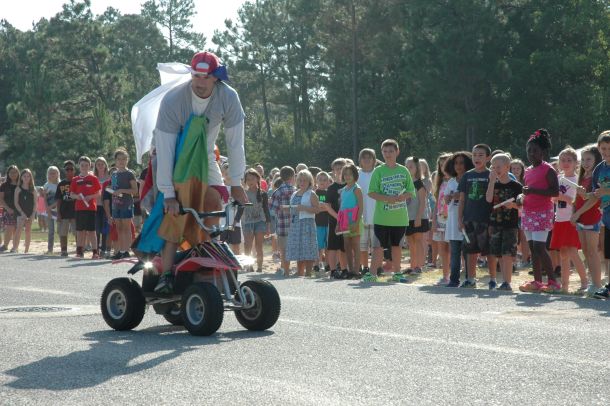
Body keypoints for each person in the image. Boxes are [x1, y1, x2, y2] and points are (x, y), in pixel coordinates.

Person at [135, 51, 247, 293]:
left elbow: (235, 143)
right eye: (196, 76)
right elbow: (165, 150)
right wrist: (168, 193)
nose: (200, 82)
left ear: (216, 78)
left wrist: (237, 182)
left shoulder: (228, 97)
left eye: (206, 77)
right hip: (175, 158)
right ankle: (166, 276)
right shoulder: (174, 99)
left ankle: (204, 266)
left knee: (213, 206)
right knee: (177, 215)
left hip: (205, 157)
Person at [366, 139, 415, 282]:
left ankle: (397, 273)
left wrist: (402, 197)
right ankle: (372, 274)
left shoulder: (403, 170)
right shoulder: (378, 171)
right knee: (377, 247)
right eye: (385, 151)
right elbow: (371, 193)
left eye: (391, 151)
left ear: (397, 152)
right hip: (381, 218)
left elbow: (411, 191)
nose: (388, 154)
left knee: (397, 247)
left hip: (399, 218)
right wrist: (388, 198)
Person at [518, 129, 559, 293]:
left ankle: (553, 282)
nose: (531, 154)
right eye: (529, 151)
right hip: (528, 212)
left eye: (535, 150)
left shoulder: (548, 169)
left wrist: (534, 191)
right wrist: (520, 197)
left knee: (540, 248)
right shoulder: (527, 171)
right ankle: (537, 281)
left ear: (543, 152)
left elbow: (555, 192)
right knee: (533, 249)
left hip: (542, 212)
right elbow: (526, 191)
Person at [544, 147, 588, 293]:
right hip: (559, 220)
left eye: (569, 160)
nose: (566, 163)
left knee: (573, 252)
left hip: (572, 220)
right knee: (563, 253)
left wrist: (563, 197)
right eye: (563, 160)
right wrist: (554, 198)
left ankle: (584, 283)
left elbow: (578, 201)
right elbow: (553, 199)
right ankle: (565, 286)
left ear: (576, 163)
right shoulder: (558, 179)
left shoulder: (578, 180)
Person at [458, 144, 494, 289]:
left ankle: (492, 279)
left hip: (486, 219)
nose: (477, 158)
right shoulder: (467, 176)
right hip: (469, 219)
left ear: (488, 158)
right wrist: (460, 219)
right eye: (474, 155)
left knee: (489, 250)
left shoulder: (491, 175)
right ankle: (471, 279)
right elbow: (462, 199)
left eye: (480, 155)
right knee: (469, 250)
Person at [485, 154, 522, 291]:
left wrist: (512, 205)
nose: (495, 170)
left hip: (510, 224)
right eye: (493, 167)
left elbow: (521, 205)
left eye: (498, 167)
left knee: (508, 253)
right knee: (499, 253)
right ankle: (503, 281)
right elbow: (488, 200)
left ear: (507, 167)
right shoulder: (493, 184)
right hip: (495, 223)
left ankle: (507, 281)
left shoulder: (516, 186)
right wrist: (491, 182)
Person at [571, 144, 603, 296]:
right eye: (583, 159)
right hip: (581, 219)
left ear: (596, 159)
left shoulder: (596, 177)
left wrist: (577, 213)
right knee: (585, 251)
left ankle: (597, 284)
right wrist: (574, 213)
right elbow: (578, 199)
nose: (585, 162)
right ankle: (593, 283)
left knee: (592, 252)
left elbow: (594, 199)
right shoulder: (582, 177)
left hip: (592, 218)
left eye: (589, 159)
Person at [327, 164, 363, 279]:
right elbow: (341, 208)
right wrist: (338, 223)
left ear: (355, 175)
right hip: (344, 222)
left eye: (350, 174)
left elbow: (361, 207)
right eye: (345, 174)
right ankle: (350, 270)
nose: (347, 176)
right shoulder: (342, 190)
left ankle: (356, 271)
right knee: (346, 247)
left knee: (355, 246)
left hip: (354, 221)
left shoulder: (357, 189)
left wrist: (356, 222)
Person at [444, 152, 474, 287]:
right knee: (455, 252)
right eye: (456, 163)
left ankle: (469, 279)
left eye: (461, 163)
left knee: (468, 252)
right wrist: (448, 198)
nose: (458, 166)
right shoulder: (451, 182)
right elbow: (446, 200)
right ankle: (454, 280)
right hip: (452, 221)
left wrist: (461, 196)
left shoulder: (470, 179)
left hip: (466, 220)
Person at [286, 169, 319, 277]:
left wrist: (305, 208)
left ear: (309, 181)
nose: (302, 182)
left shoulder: (311, 194)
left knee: (308, 249)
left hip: (307, 224)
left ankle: (308, 274)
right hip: (295, 225)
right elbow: (293, 209)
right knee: (299, 250)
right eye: (300, 180)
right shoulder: (294, 194)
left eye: (305, 180)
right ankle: (300, 274)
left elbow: (317, 209)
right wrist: (286, 209)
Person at [109, 148, 138, 259]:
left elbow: (135, 191)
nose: (121, 161)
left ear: (127, 160)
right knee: (119, 228)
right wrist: (111, 190)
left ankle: (126, 251)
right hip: (116, 204)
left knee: (126, 228)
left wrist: (122, 190)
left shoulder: (129, 174)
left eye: (124, 159)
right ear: (115, 160)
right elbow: (114, 188)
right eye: (119, 159)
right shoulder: (114, 174)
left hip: (126, 204)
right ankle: (121, 251)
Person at [70, 156, 102, 259]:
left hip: (91, 208)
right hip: (79, 209)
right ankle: (79, 252)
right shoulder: (75, 179)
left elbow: (99, 193)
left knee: (92, 231)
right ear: (79, 166)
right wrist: (77, 197)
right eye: (82, 165)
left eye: (86, 165)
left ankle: (95, 252)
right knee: (80, 231)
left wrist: (90, 197)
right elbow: (71, 194)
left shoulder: (93, 178)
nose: (84, 167)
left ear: (90, 166)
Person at [242, 168, 271, 272]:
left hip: (260, 222)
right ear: (245, 181)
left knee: (259, 246)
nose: (250, 181)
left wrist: (268, 226)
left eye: (252, 179)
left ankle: (259, 267)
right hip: (247, 222)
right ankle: (248, 266)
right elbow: (240, 209)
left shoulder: (263, 194)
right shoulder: (244, 193)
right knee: (248, 245)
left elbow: (266, 210)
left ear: (257, 179)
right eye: (248, 179)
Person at [405, 157, 430, 274]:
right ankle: (412, 266)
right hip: (407, 218)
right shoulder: (404, 184)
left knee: (418, 241)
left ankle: (418, 266)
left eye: (411, 167)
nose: (408, 169)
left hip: (418, 217)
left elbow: (422, 202)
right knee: (411, 242)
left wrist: (418, 217)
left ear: (417, 168)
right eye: (406, 167)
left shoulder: (419, 184)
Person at [270, 166, 296, 276]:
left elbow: (273, 209)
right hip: (295, 224)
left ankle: (286, 270)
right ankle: (296, 270)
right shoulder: (296, 191)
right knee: (294, 247)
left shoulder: (278, 191)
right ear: (293, 176)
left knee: (284, 249)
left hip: (282, 225)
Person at [324, 158, 348, 277]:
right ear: (333, 171)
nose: (339, 171)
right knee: (333, 247)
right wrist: (338, 217)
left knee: (344, 247)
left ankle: (344, 269)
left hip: (348, 221)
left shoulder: (349, 185)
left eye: (341, 168)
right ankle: (333, 270)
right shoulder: (331, 188)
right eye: (336, 169)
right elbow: (327, 206)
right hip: (335, 221)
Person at [357, 148, 379, 275]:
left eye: (369, 157)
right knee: (362, 245)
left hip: (377, 215)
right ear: (360, 160)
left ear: (374, 160)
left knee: (376, 245)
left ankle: (376, 267)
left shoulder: (378, 173)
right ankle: (365, 267)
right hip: (361, 216)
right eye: (364, 157)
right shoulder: (356, 175)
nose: (366, 160)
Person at [432, 153, 452, 285]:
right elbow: (436, 203)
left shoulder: (456, 181)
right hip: (440, 220)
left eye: (446, 163)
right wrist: (434, 221)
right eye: (441, 164)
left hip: (453, 220)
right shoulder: (439, 182)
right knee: (442, 249)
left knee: (453, 249)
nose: (443, 167)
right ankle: (445, 276)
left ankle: (455, 276)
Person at [510, 158, 530, 268]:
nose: (516, 171)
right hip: (511, 213)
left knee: (523, 238)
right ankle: (514, 261)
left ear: (522, 169)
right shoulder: (507, 181)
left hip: (523, 214)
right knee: (514, 238)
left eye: (518, 168)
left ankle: (525, 260)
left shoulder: (525, 182)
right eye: (513, 168)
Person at [55, 161, 77, 257]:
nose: (69, 171)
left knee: (77, 232)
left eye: (71, 169)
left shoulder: (77, 181)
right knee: (63, 233)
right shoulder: (61, 184)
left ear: (74, 170)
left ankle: (79, 250)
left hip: (76, 212)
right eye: (67, 169)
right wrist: (58, 213)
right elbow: (58, 200)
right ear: (64, 171)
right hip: (64, 212)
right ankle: (64, 250)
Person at [13, 168, 36, 253]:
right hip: (20, 212)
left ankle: (26, 250)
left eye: (28, 176)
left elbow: (35, 203)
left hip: (30, 213)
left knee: (28, 230)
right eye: (24, 176)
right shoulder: (18, 189)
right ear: (21, 177)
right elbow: (16, 203)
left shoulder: (33, 189)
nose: (26, 178)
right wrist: (22, 213)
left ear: (30, 178)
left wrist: (33, 214)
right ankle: (15, 248)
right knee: (18, 229)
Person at [314, 171, 331, 273]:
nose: (322, 182)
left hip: (328, 223)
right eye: (320, 179)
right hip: (318, 223)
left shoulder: (329, 193)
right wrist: (325, 208)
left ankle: (328, 264)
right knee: (319, 246)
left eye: (325, 180)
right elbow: (315, 207)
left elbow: (330, 207)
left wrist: (324, 207)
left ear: (328, 182)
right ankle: (317, 264)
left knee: (328, 245)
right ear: (316, 181)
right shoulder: (314, 193)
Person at [0, 165, 20, 252]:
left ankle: (15, 247)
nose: (13, 174)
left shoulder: (21, 184)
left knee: (16, 229)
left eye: (15, 172)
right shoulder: (4, 185)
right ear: (8, 174)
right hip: (8, 210)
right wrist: (8, 208)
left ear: (18, 173)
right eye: (11, 172)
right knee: (9, 227)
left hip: (20, 210)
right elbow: (1, 199)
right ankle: (5, 245)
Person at [94, 157, 110, 255]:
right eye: (98, 164)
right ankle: (96, 249)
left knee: (105, 228)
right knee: (96, 228)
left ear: (105, 165)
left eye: (102, 164)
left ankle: (104, 249)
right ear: (95, 166)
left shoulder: (109, 177)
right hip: (96, 206)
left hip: (106, 207)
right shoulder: (93, 177)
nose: (100, 166)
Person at [43, 166, 60, 254]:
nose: (52, 174)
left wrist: (52, 206)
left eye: (54, 173)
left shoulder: (60, 184)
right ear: (48, 174)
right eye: (50, 173)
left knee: (60, 230)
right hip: (49, 211)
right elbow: (44, 199)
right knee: (51, 231)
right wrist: (48, 209)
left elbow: (60, 199)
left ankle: (63, 248)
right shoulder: (46, 185)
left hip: (59, 211)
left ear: (58, 174)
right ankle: (50, 249)